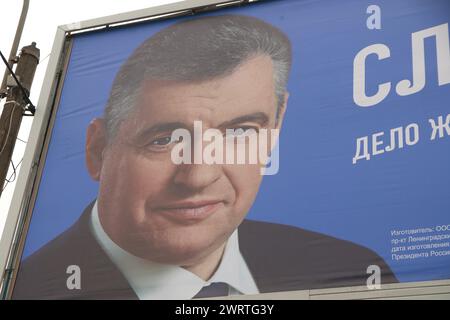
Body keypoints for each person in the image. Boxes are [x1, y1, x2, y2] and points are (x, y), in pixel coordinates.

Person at [12, 14, 397, 300]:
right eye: (164, 140)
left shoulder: (355, 273)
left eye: (239, 132)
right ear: (98, 150)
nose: (198, 176)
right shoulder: (25, 290)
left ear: (277, 123)